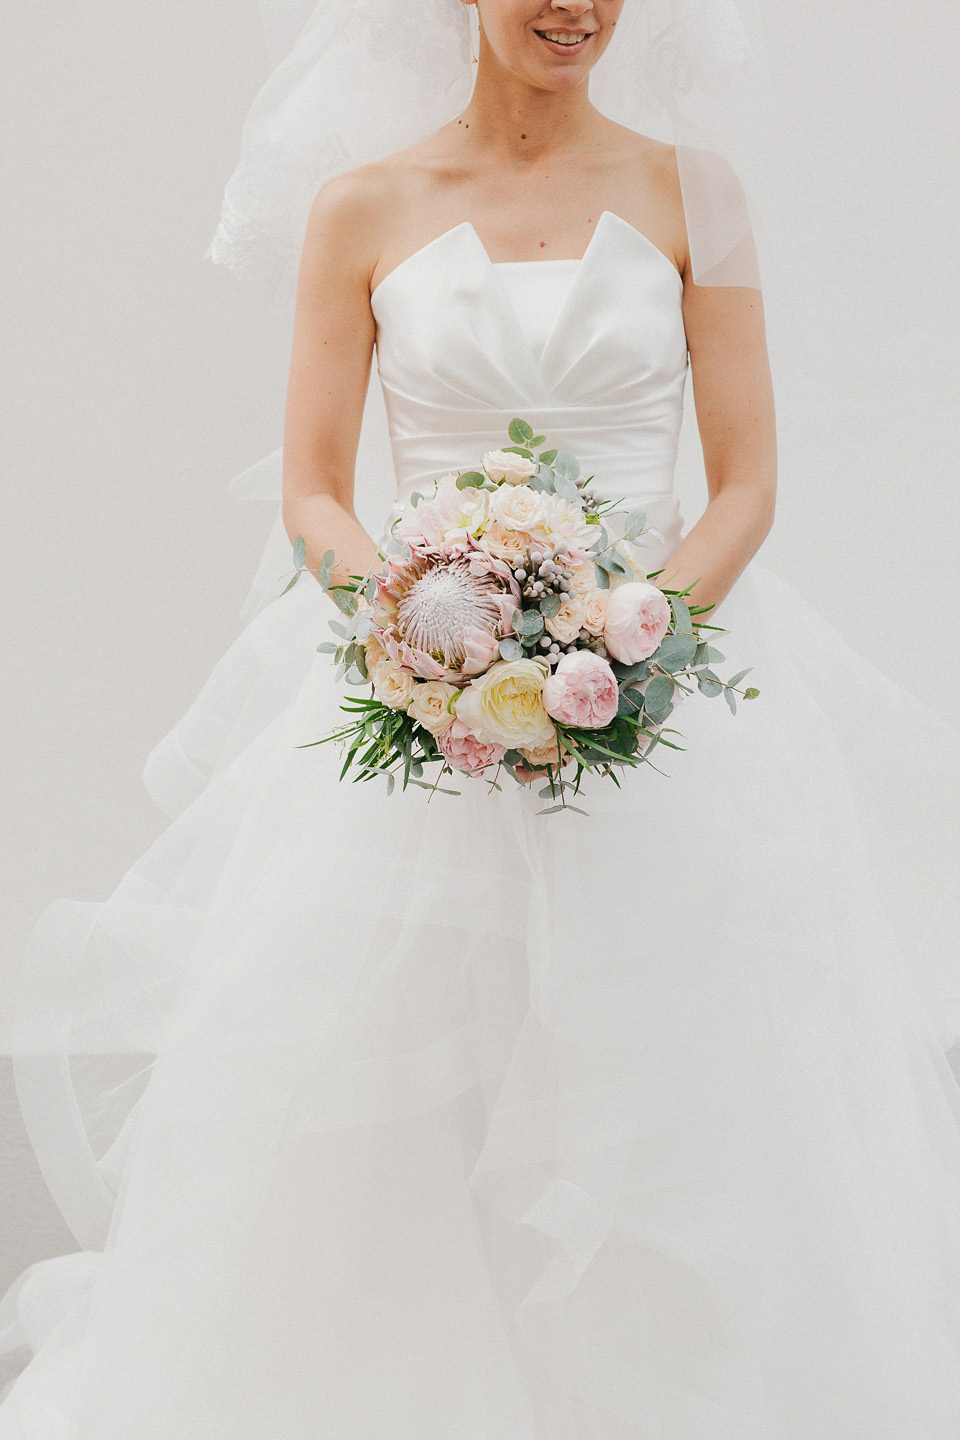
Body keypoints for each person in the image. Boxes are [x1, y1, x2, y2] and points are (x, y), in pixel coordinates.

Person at [2, 0, 960, 1435]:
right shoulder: (366, 204)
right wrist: (418, 627)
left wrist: (627, 634)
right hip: (425, 700)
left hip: (658, 706)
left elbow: (748, 480)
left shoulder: (696, 194)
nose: (570, 5)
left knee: (680, 1083)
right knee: (391, 1091)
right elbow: (316, 488)